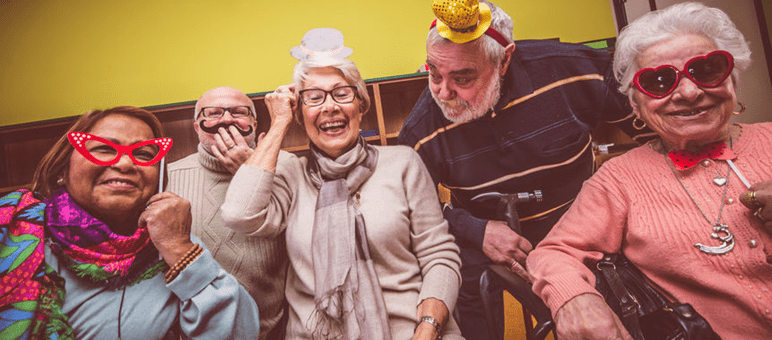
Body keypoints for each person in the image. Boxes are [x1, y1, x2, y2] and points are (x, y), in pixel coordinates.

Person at [396, 1, 652, 338]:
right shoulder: (421, 129)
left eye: (462, 77)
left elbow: (654, 135)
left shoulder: (572, 69)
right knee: (462, 282)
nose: (443, 93)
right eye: (433, 72)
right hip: (485, 236)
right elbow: (412, 211)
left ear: (504, 60)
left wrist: (614, 203)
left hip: (585, 229)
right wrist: (475, 229)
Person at [527, 2, 772, 339]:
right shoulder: (619, 179)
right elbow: (554, 252)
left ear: (732, 79)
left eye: (707, 70)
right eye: (659, 81)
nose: (689, 92)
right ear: (635, 105)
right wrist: (575, 297)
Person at [221, 28, 464, 340]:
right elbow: (239, 215)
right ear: (300, 113)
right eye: (313, 97)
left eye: (341, 93)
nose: (329, 106)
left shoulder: (403, 162)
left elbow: (439, 255)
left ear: (360, 105)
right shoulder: (291, 174)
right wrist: (279, 122)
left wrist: (427, 329)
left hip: (413, 330)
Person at [0, 106, 260, 339]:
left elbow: (240, 333)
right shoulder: (11, 227)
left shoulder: (171, 246)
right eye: (103, 149)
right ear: (61, 170)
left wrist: (181, 250)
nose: (125, 163)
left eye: (145, 154)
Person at [167, 86, 288, 340]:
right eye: (212, 113)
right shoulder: (168, 178)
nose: (226, 119)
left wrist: (253, 173)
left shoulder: (290, 168)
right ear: (197, 127)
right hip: (202, 333)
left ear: (254, 123)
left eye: (239, 112)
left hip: (282, 329)